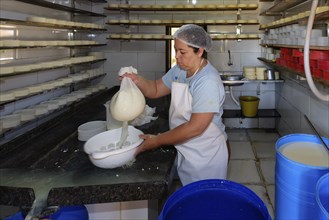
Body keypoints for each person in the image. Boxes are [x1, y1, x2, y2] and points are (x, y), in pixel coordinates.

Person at [121, 24, 228, 186]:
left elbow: (195, 127)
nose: (177, 56)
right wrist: (137, 80)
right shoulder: (179, 70)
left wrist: (157, 141)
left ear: (199, 51)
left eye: (182, 52)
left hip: (206, 153)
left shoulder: (207, 81)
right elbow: (156, 89)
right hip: (185, 144)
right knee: (189, 195)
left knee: (206, 200)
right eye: (175, 50)